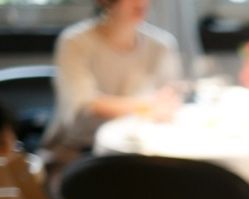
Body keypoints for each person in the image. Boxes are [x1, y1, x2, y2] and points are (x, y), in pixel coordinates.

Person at [41, 0, 181, 173]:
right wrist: (148, 106)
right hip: (78, 151)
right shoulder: (75, 41)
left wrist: (159, 105)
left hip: (140, 149)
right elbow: (87, 104)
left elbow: (170, 98)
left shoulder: (161, 45)